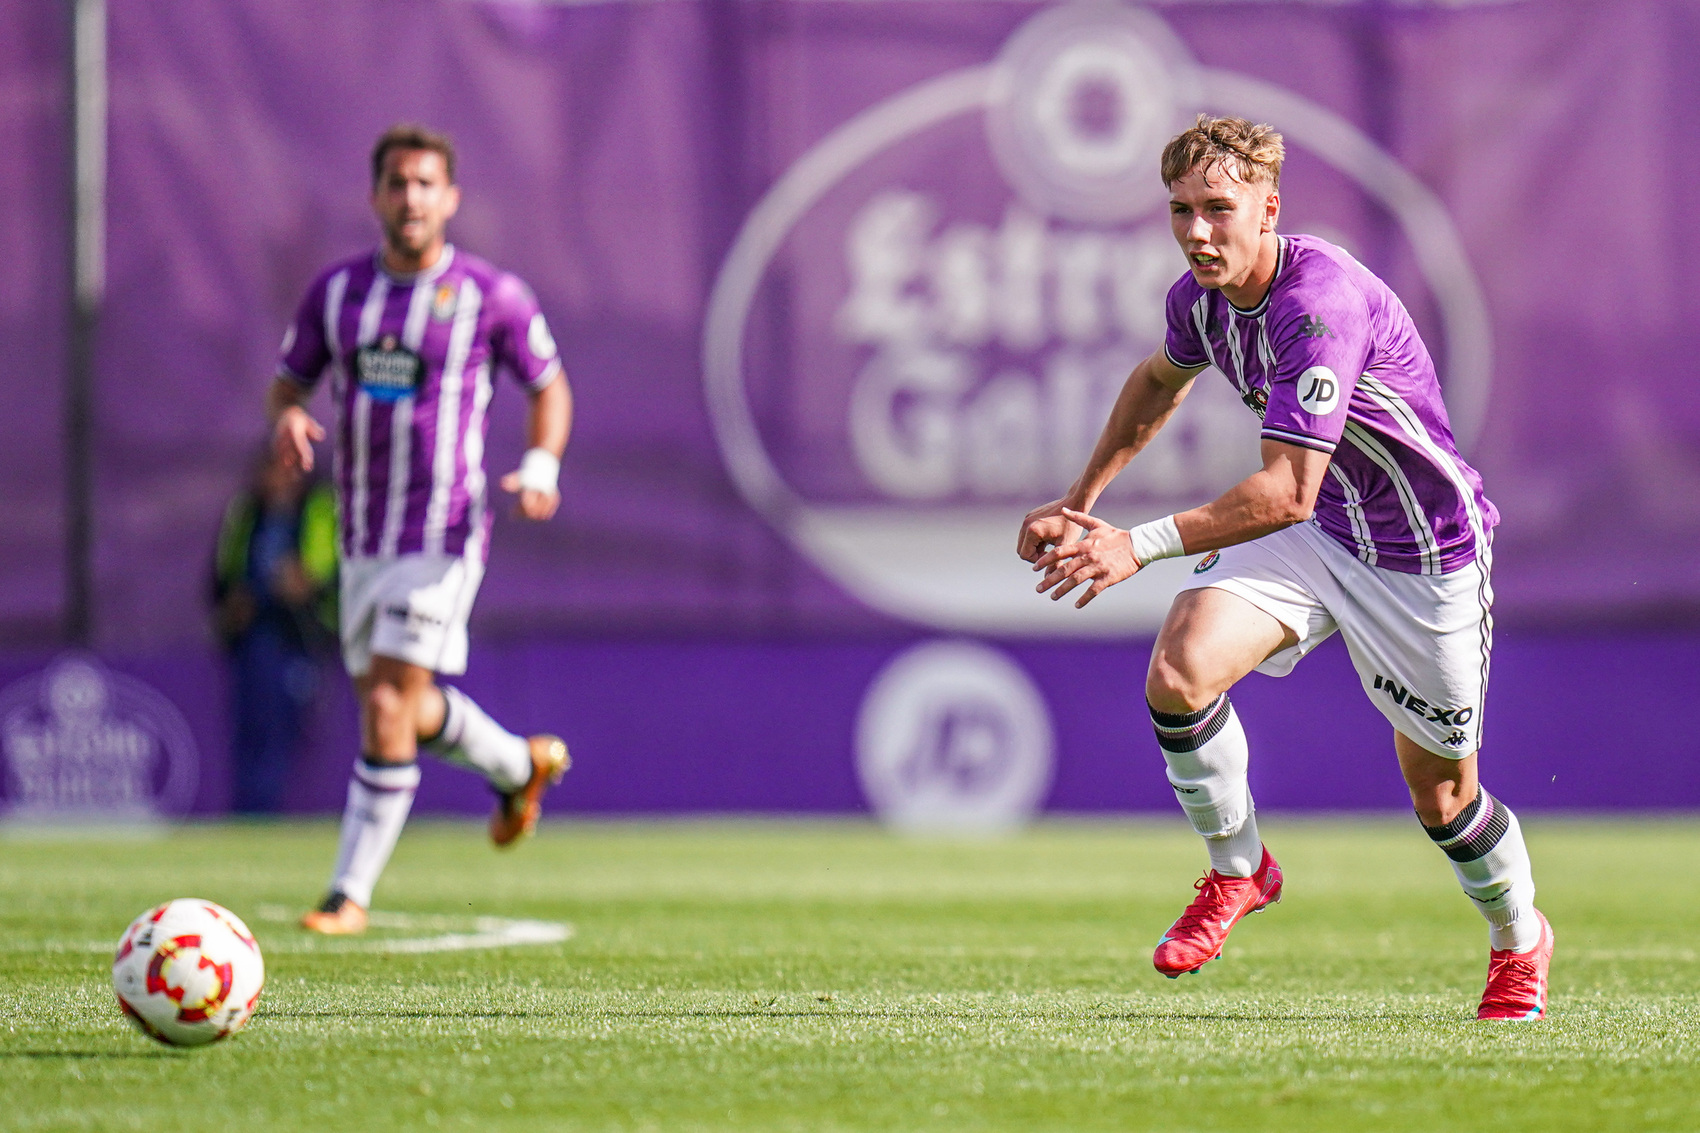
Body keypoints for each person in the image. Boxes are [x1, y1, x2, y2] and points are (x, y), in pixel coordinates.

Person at [1016, 115, 1551, 1020]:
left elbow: (1287, 488)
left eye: (1218, 209)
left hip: (1423, 557)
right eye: (1181, 210)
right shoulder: (1202, 297)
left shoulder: (1319, 301)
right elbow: (1158, 381)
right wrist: (1082, 502)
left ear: (1269, 208)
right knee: (1180, 668)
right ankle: (1239, 871)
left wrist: (1133, 544)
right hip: (1325, 532)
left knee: (1445, 798)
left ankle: (1519, 937)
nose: (1197, 231)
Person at [269, 123, 573, 935]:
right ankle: (518, 765)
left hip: (442, 534)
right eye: (397, 183)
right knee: (402, 706)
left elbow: (549, 385)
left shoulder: (490, 295)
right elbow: (289, 381)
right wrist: (291, 416)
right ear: (375, 196)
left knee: (388, 708)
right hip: (362, 536)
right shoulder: (336, 295)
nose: (411, 198)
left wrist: (541, 464)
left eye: (426, 183)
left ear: (451, 198)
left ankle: (348, 894)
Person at [211, 446, 338, 813]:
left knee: (288, 731)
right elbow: (223, 574)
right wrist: (231, 603)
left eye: (290, 468)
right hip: (255, 635)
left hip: (301, 637)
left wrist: (307, 584)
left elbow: (331, 570)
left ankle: (276, 815)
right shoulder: (247, 512)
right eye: (274, 468)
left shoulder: (321, 507)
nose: (281, 478)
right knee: (252, 729)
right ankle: (252, 813)